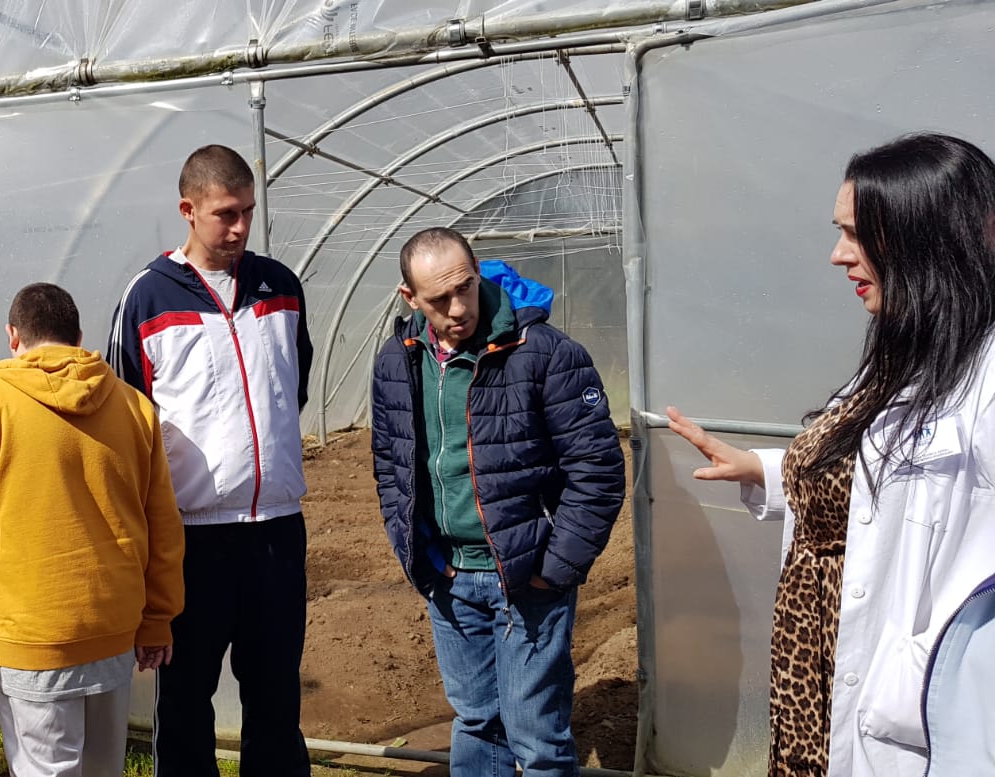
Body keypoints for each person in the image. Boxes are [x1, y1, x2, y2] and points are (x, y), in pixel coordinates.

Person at [667, 132, 995, 777]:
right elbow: (877, 487)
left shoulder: (985, 381)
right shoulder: (910, 353)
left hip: (898, 696)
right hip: (814, 668)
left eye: (856, 234)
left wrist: (922, 672)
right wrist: (767, 468)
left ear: (927, 237)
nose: (837, 255)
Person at [369, 227, 626, 777]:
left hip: (524, 577)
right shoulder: (398, 358)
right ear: (409, 298)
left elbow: (598, 469)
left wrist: (554, 569)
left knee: (536, 737)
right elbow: (391, 462)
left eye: (465, 287)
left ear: (477, 272)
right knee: (477, 724)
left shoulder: (544, 353)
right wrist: (414, 548)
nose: (458, 307)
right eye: (440, 299)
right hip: (448, 576)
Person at [106, 144, 313, 777]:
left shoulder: (281, 285)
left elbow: (293, 385)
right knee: (188, 698)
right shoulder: (147, 297)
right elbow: (128, 418)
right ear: (188, 210)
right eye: (226, 214)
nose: (241, 228)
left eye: (248, 212)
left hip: (277, 527)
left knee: (276, 695)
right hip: (190, 539)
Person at [0, 282, 184, 777]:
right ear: (79, 336)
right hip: (112, 626)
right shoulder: (134, 408)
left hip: (31, 630)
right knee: (102, 768)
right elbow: (163, 525)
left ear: (13, 336)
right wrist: (157, 618)